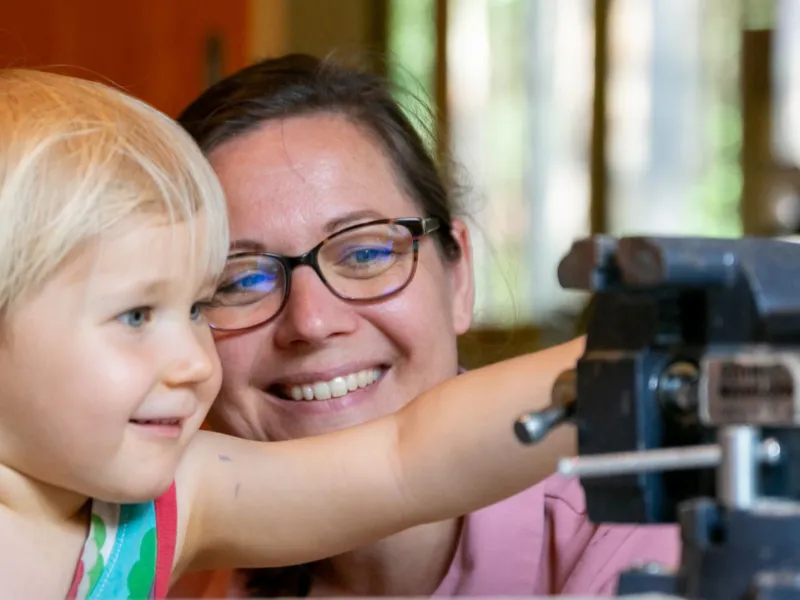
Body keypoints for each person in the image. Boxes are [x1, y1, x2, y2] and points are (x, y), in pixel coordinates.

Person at [0, 67, 586, 600]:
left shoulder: (168, 508)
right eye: (136, 316)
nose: (196, 363)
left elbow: (407, 456)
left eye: (201, 306)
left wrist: (639, 351)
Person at [169, 54, 679, 598]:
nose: (312, 322)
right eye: (241, 281)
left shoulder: (640, 535)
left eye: (365, 252)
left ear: (458, 277)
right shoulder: (171, 557)